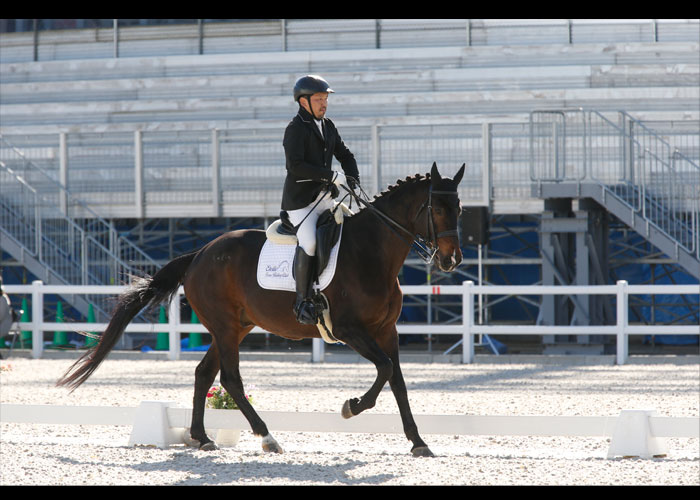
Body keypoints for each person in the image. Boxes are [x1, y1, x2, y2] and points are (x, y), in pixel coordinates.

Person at [282, 75, 360, 324]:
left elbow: (345, 155)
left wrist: (353, 178)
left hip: (325, 198)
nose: (324, 103)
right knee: (310, 243)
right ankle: (303, 301)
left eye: (325, 99)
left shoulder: (328, 125)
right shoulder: (295, 129)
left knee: (354, 228)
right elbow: (295, 166)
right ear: (303, 102)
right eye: (319, 99)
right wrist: (330, 174)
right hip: (301, 203)